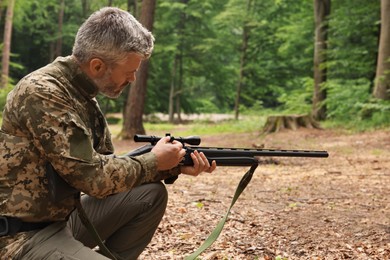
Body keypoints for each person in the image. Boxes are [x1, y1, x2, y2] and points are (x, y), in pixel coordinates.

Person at [0, 6, 216, 259]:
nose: (133, 79)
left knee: (150, 194)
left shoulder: (83, 97)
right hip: (20, 237)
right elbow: (93, 178)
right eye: (129, 71)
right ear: (97, 66)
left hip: (62, 220)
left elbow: (109, 170)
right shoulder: (43, 93)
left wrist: (173, 165)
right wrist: (154, 161)